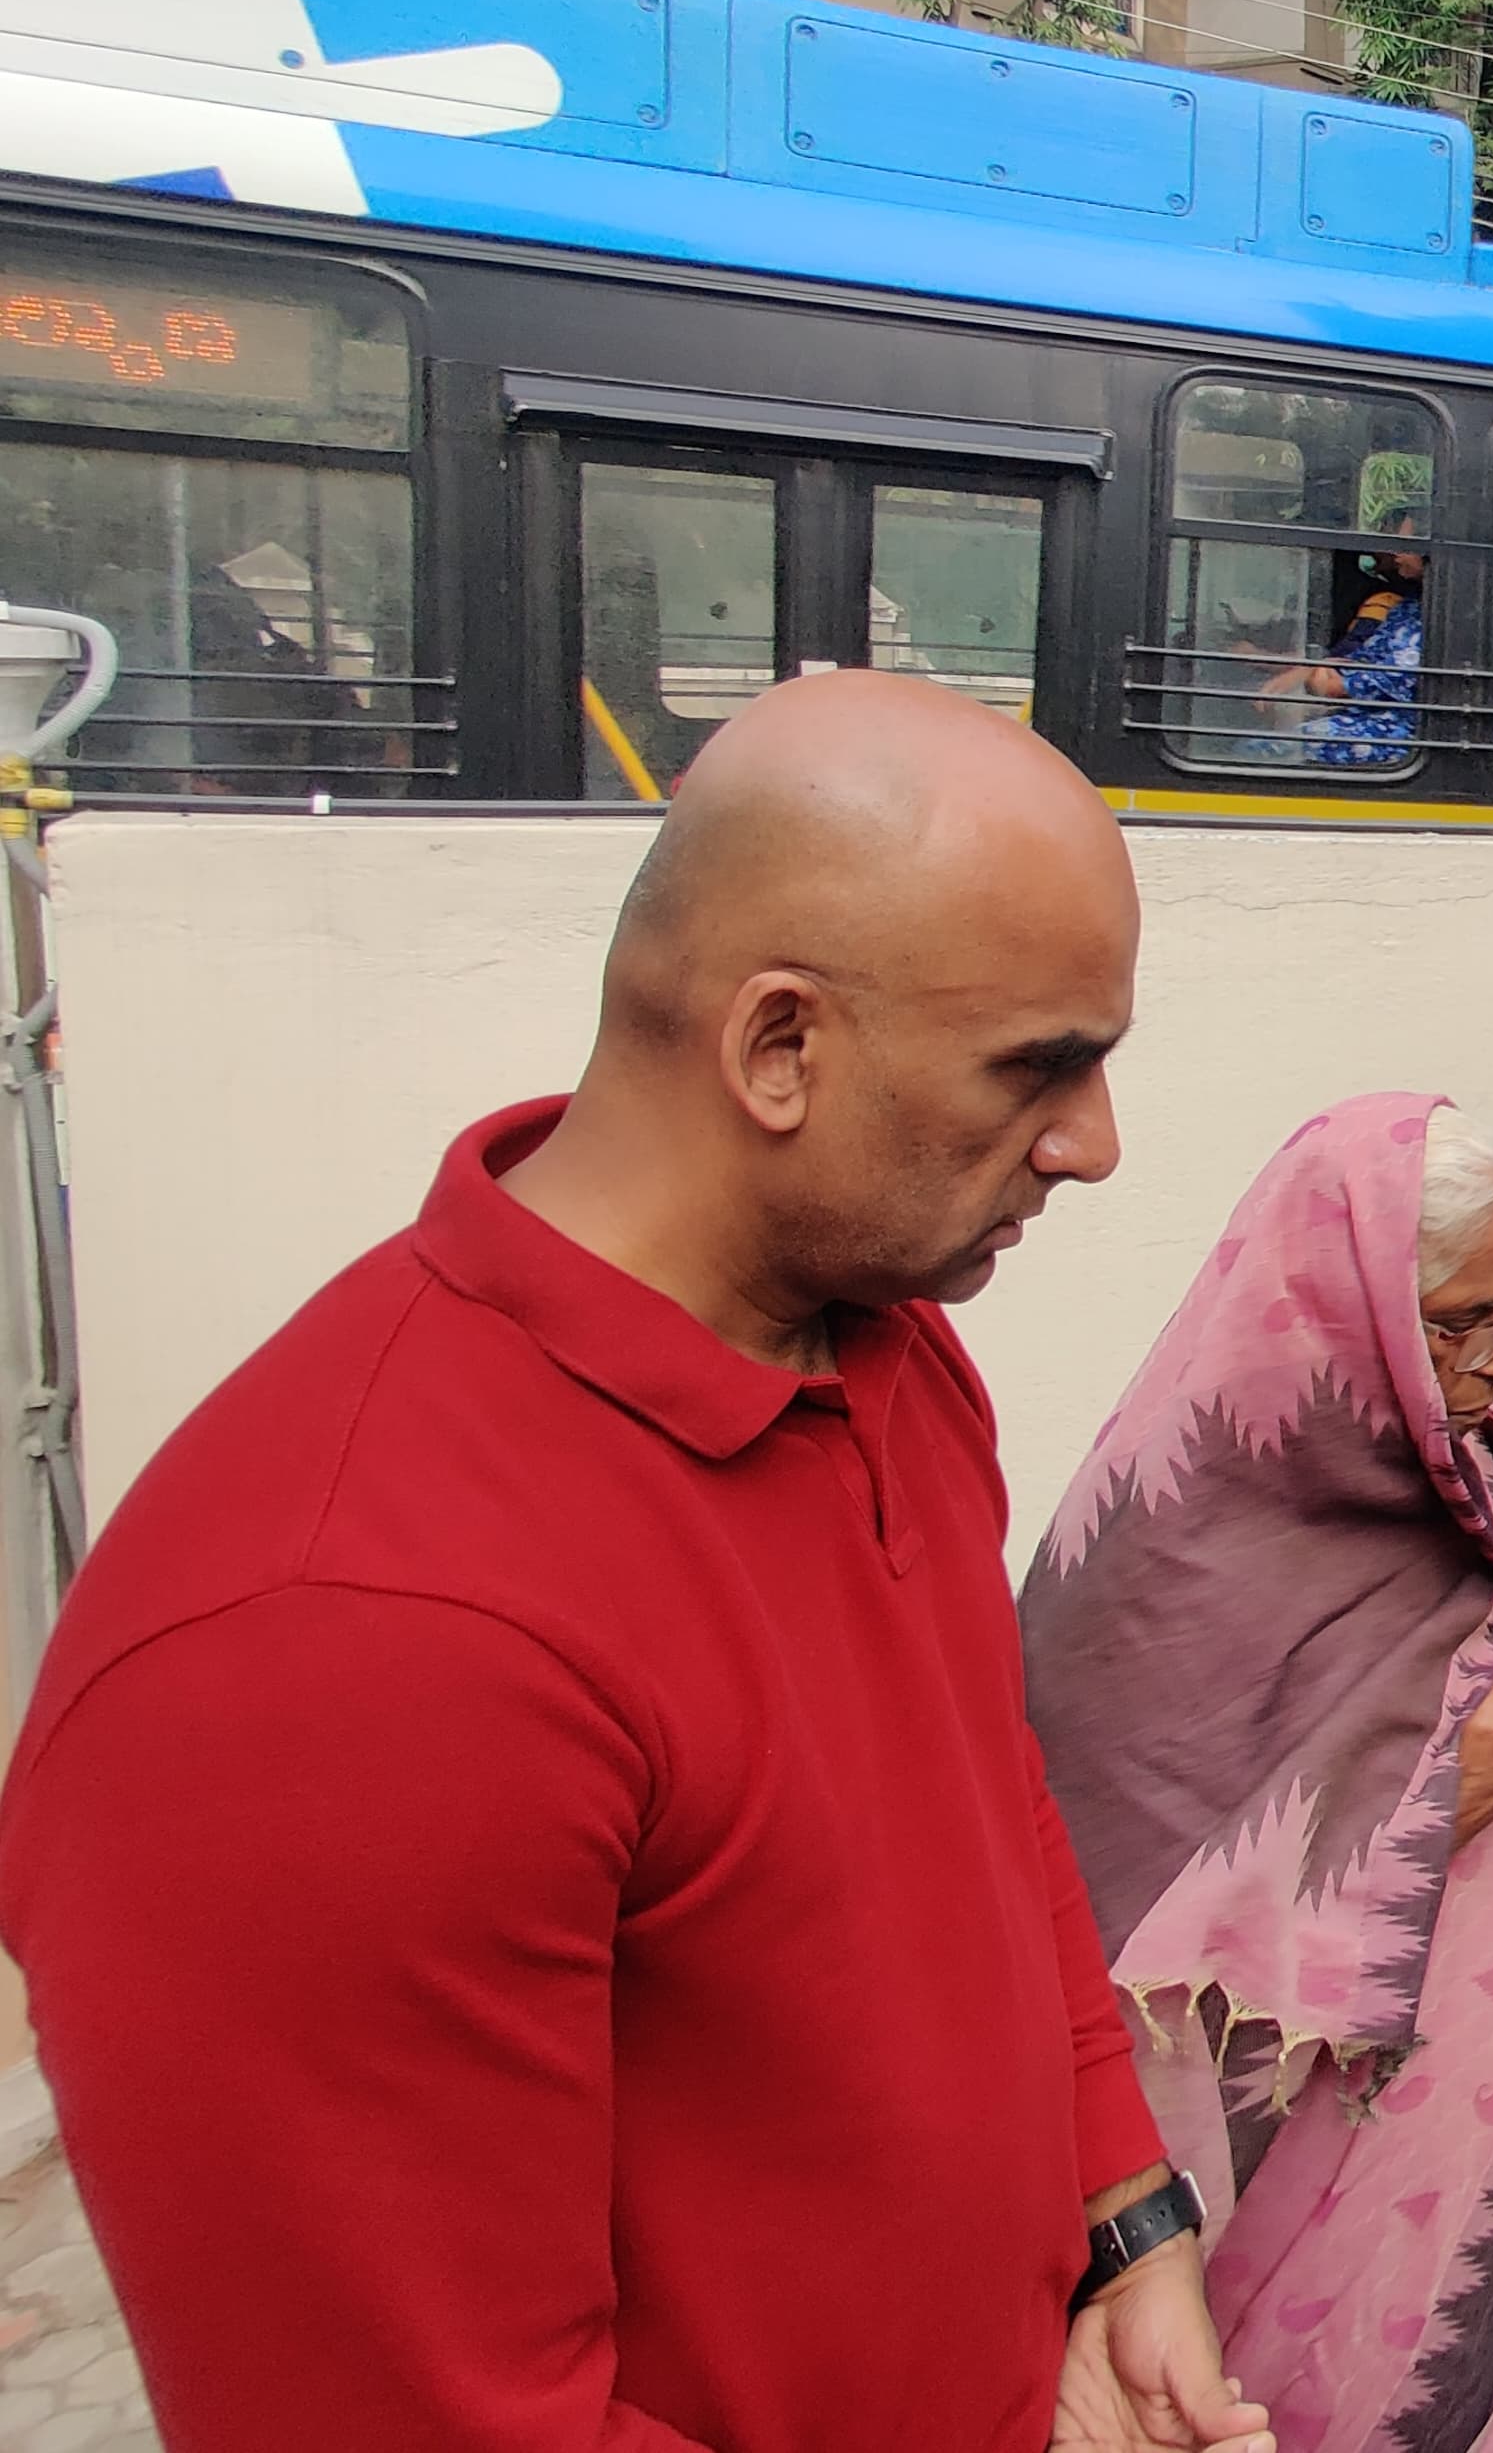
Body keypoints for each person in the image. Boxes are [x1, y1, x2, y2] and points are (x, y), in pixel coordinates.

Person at [0, 671, 1261, 2452]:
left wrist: (1122, 2218)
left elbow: (997, 1812)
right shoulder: (331, 1636)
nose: (1094, 1143)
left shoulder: (889, 1358)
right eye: (1037, 1066)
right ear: (778, 1046)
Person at [1020, 1097, 1493, 2448]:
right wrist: (1447, 1804)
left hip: (1477, 2103)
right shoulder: (1152, 1564)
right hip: (1298, 2172)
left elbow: (1410, 1697)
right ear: (1343, 1314)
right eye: (1462, 1322)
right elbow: (1124, 1935)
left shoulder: (1426, 1463)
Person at [1262, 549, 1427, 768]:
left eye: (1410, 544)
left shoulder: (1436, 616)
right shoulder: (1407, 608)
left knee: (1266, 749)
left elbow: (1339, 686)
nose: (1396, 551)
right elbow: (1357, 659)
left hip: (1403, 733)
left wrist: (1325, 678)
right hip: (1363, 714)